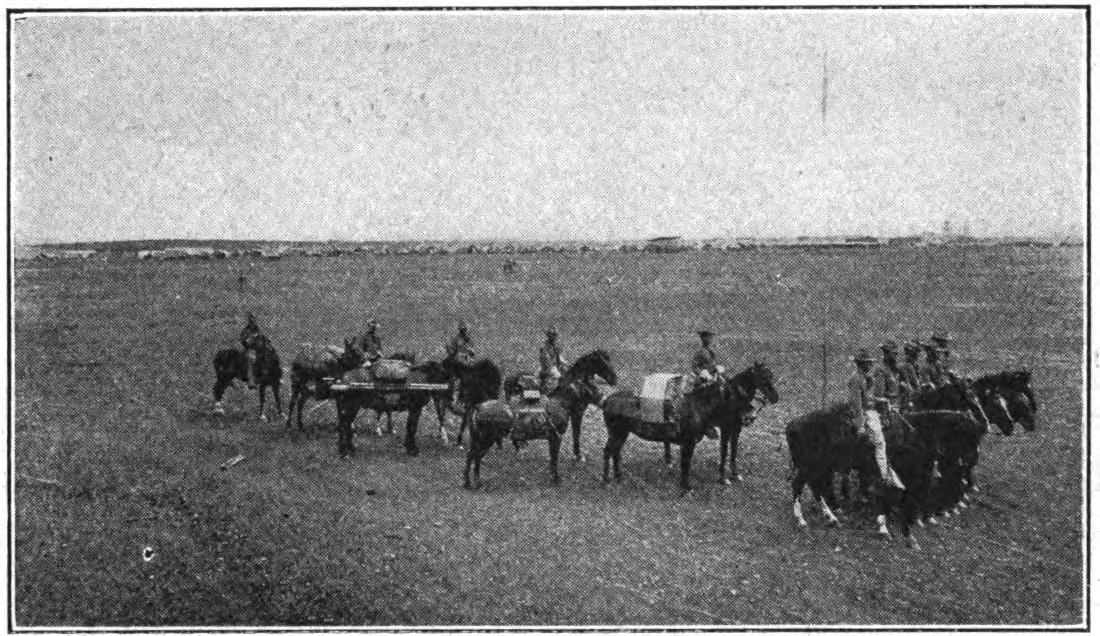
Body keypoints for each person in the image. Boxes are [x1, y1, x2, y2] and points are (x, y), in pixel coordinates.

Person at [848, 348, 905, 490]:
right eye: (868, 363)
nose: (870, 365)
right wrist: (861, 425)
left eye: (870, 362)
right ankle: (884, 475)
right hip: (866, 413)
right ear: (862, 364)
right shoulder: (856, 379)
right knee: (880, 442)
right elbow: (857, 404)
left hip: (872, 410)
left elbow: (869, 397)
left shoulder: (866, 377)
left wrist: (882, 400)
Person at [689, 329, 723, 440]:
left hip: (712, 378)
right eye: (708, 338)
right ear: (703, 339)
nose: (710, 340)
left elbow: (712, 365)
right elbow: (695, 367)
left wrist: (716, 368)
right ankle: (707, 425)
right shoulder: (699, 352)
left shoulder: (711, 352)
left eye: (711, 338)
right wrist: (703, 373)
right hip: (701, 380)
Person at [873, 341, 908, 411]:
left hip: (898, 405)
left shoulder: (896, 369)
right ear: (887, 354)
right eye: (893, 354)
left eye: (896, 354)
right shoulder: (881, 369)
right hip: (888, 407)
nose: (895, 356)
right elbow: (879, 394)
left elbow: (904, 387)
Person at [446, 321, 476, 402]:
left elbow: (472, 352)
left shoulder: (469, 340)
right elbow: (453, 351)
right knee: (456, 379)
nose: (463, 331)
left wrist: (470, 354)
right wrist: (451, 351)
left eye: (464, 330)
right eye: (462, 330)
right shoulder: (456, 339)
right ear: (460, 330)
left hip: (467, 362)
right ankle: (455, 396)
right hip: (459, 362)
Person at [238, 313, 262, 389]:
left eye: (254, 320)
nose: (253, 321)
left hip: (257, 351)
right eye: (251, 320)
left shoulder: (257, 330)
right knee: (250, 364)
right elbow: (243, 340)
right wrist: (248, 341)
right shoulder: (246, 330)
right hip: (249, 350)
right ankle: (251, 384)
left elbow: (261, 340)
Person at [538, 327, 566, 393]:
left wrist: (563, 363)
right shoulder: (545, 347)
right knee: (558, 378)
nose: (556, 337)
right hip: (548, 367)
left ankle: (544, 389)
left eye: (556, 335)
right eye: (554, 335)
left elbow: (558, 357)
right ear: (550, 336)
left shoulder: (555, 346)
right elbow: (546, 360)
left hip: (550, 366)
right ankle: (547, 390)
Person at [897, 340, 923, 408]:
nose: (918, 354)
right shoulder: (903, 365)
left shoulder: (916, 365)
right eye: (917, 351)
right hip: (906, 397)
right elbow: (902, 382)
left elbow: (918, 380)